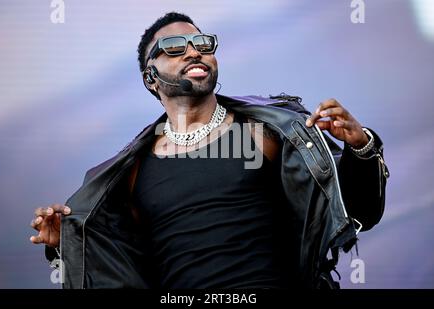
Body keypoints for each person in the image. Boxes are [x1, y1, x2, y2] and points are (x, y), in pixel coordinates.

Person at [29, 12, 389, 289]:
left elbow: (360, 213)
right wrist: (69, 240)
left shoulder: (269, 133)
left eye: (202, 44)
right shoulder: (130, 173)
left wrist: (361, 147)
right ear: (150, 77)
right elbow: (117, 262)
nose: (193, 51)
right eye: (173, 47)